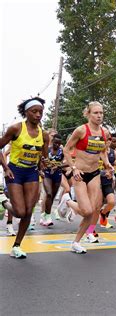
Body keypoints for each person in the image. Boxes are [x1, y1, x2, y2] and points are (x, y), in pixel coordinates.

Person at [0, 97, 50, 258]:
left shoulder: (44, 135)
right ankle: (4, 202)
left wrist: (44, 164)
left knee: (29, 212)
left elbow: (44, 157)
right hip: (14, 171)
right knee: (20, 212)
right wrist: (5, 167)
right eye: (34, 111)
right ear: (26, 112)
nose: (38, 115)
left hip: (31, 173)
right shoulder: (15, 129)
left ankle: (16, 246)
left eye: (40, 112)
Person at [63, 101, 112, 254]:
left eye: (101, 113)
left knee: (93, 210)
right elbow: (66, 149)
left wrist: (107, 164)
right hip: (80, 174)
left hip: (95, 173)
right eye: (96, 113)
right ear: (88, 114)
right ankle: (68, 201)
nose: (99, 116)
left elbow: (103, 151)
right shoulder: (81, 131)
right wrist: (74, 168)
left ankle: (76, 242)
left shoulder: (104, 132)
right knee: (86, 211)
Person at [41, 134, 64, 227]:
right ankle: (48, 216)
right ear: (52, 142)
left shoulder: (62, 152)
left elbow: (68, 163)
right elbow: (40, 159)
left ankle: (45, 214)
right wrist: (42, 167)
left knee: (52, 197)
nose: (57, 145)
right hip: (47, 175)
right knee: (49, 194)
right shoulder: (47, 149)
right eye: (55, 143)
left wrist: (58, 166)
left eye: (59, 143)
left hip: (57, 175)